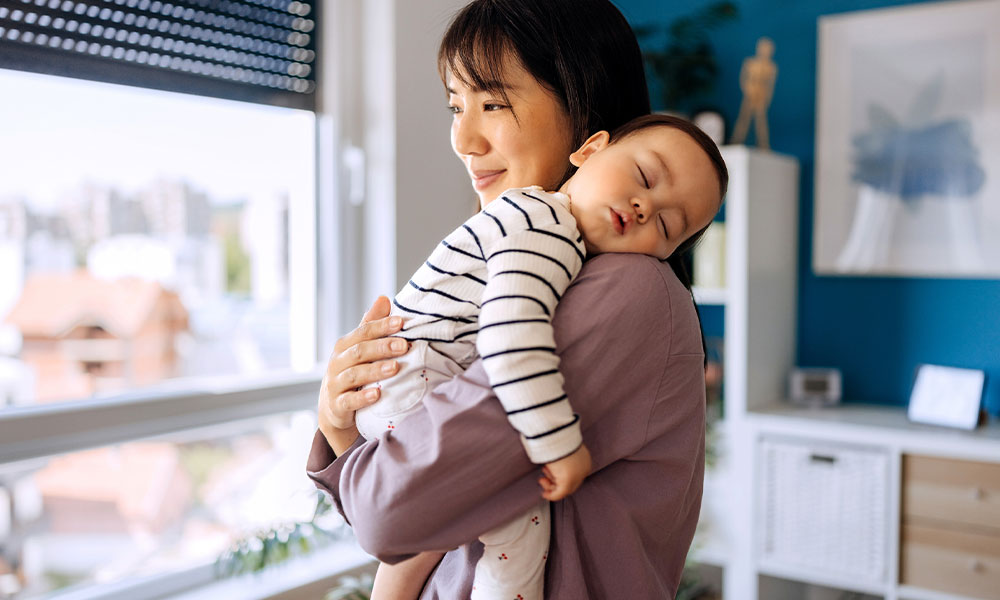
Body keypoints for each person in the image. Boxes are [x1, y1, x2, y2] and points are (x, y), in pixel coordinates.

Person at [308, 1, 715, 597]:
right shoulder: (534, 265)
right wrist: (343, 423)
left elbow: (387, 514)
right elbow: (418, 523)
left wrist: (352, 445)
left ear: (587, 118)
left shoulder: (627, 290)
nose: (463, 140)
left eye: (493, 103)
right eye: (456, 105)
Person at [358, 113, 726, 600]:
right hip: (417, 377)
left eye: (665, 224)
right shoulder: (548, 230)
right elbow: (512, 339)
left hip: (404, 379)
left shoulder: (551, 233)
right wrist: (558, 445)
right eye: (644, 177)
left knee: (494, 517)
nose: (643, 207)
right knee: (521, 536)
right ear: (590, 148)